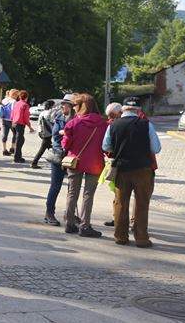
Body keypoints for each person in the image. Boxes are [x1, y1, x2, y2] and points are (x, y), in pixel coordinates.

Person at [104, 99, 160, 247]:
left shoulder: (113, 125)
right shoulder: (147, 125)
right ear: (138, 110)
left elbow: (106, 146)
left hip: (122, 169)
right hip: (143, 169)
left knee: (121, 203)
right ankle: (141, 238)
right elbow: (156, 148)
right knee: (142, 203)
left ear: (123, 109)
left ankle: (120, 236)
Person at [60, 94, 106, 238]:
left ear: (80, 107)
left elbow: (66, 144)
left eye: (75, 105)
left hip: (75, 161)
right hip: (95, 162)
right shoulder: (103, 123)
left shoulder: (73, 123)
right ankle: (85, 225)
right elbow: (106, 145)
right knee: (88, 195)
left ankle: (69, 222)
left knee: (72, 192)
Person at [44, 94, 75, 227]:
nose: (62, 106)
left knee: (73, 188)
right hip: (59, 155)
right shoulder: (59, 118)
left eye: (66, 104)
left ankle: (70, 213)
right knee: (55, 186)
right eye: (62, 104)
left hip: (73, 157)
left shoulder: (77, 119)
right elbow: (56, 138)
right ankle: (49, 213)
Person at [30, 99, 56, 168]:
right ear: (51, 106)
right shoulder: (49, 113)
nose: (54, 107)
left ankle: (54, 163)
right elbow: (52, 123)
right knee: (44, 149)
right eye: (53, 105)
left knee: (50, 147)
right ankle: (34, 163)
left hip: (41, 132)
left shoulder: (42, 112)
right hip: (47, 133)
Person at [10, 90, 33, 163]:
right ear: (26, 97)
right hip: (20, 124)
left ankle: (18, 156)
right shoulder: (25, 105)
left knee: (20, 140)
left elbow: (12, 113)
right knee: (19, 141)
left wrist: (12, 120)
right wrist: (30, 127)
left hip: (14, 123)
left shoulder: (16, 103)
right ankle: (17, 157)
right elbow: (26, 117)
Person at [0, 90, 15, 156]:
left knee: (5, 135)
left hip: (4, 119)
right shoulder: (13, 101)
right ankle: (12, 148)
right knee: (15, 134)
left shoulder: (4, 100)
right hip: (11, 120)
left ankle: (4, 150)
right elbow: (13, 111)